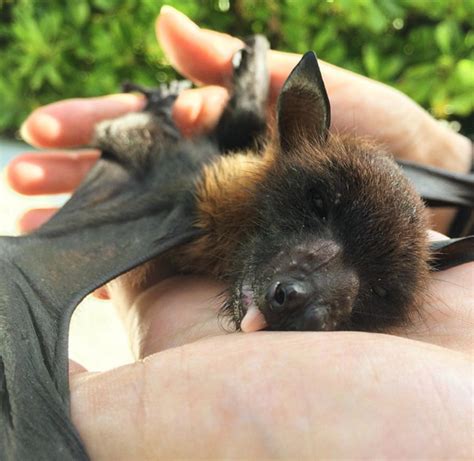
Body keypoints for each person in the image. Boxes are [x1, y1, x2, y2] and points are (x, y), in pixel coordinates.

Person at [6, 6, 473, 459]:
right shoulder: (201, 201)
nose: (308, 295)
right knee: (229, 133)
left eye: (377, 288)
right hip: (188, 183)